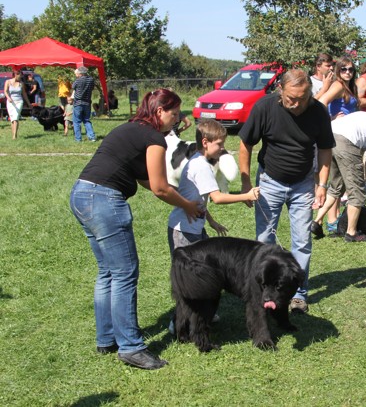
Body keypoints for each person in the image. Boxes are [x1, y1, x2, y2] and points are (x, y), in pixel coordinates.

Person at [69, 88, 202, 370]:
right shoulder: (154, 137)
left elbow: (145, 179)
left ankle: (107, 338)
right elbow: (159, 188)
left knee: (108, 272)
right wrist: (188, 205)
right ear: (159, 111)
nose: (177, 119)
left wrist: (177, 193)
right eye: (174, 113)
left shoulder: (130, 129)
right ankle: (131, 347)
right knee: (124, 274)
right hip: (105, 201)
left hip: (81, 194)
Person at [238, 69, 335, 314]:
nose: (297, 104)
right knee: (264, 240)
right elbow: (246, 143)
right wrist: (246, 182)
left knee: (302, 242)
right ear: (280, 90)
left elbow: (325, 149)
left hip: (303, 184)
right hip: (269, 181)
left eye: (303, 98)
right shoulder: (265, 107)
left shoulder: (318, 111)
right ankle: (262, 291)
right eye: (292, 98)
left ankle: (298, 295)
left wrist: (322, 184)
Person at [168, 118, 260, 254]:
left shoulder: (198, 161)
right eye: (219, 144)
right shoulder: (201, 167)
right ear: (205, 142)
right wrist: (246, 196)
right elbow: (217, 198)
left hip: (193, 228)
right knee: (189, 267)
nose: (222, 148)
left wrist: (211, 221)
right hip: (184, 231)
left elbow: (198, 200)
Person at [311, 111, 366, 242]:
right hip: (347, 140)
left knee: (336, 186)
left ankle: (316, 221)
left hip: (332, 135)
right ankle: (351, 233)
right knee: (356, 190)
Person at [3, 71, 31, 140]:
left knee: (15, 117)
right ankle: (13, 134)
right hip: (10, 102)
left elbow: (24, 94)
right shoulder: (8, 82)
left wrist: (28, 103)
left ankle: (14, 136)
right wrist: (8, 98)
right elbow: (5, 91)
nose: (20, 77)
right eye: (20, 75)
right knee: (12, 119)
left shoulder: (21, 83)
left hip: (19, 102)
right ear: (15, 75)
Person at [72, 66, 97, 142]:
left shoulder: (78, 80)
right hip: (87, 102)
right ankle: (92, 137)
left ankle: (78, 139)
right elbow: (92, 88)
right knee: (87, 120)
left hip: (78, 102)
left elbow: (73, 87)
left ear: (80, 73)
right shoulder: (91, 80)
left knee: (77, 121)